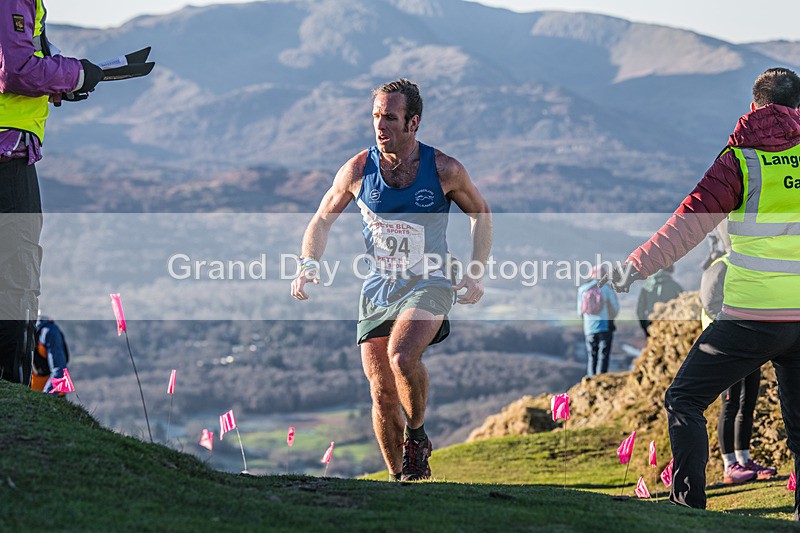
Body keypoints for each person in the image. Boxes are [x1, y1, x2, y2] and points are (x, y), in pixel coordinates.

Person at [609, 67, 800, 518]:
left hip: (752, 316)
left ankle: (688, 509)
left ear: (754, 107)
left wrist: (634, 267)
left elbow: (687, 224)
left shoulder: (741, 159)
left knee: (685, 399)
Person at [290, 79, 492, 481]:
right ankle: (402, 480)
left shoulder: (444, 169)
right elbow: (321, 219)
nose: (381, 126)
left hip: (430, 281)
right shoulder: (358, 169)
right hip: (378, 288)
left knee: (402, 357)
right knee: (381, 394)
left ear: (413, 122)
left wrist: (476, 268)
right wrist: (308, 261)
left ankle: (417, 438)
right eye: (376, 116)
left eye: (391, 118)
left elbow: (481, 214)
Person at [0, 1, 103, 384]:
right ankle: (12, 393)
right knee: (16, 279)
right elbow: (18, 71)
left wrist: (60, 81)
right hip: (6, 155)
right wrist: (76, 74)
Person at [700, 221, 777, 484]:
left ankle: (744, 460)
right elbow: (711, 305)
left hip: (751, 346)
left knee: (748, 403)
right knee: (731, 404)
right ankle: (729, 465)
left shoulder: (750, 264)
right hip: (726, 348)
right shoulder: (720, 265)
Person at [577, 266, 619, 376]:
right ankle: (600, 379)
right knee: (603, 354)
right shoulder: (607, 289)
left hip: (589, 328)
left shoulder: (582, 289)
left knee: (592, 355)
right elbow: (615, 309)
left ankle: (591, 379)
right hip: (604, 326)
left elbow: (579, 311)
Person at [636, 265, 683, 337]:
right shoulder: (676, 287)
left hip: (651, 326)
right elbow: (683, 309)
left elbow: (640, 310)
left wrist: (646, 327)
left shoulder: (646, 287)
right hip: (670, 328)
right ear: (670, 271)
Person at [31, 313, 70, 394]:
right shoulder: (29, 329)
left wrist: (46, 397)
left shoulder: (50, 332)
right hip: (35, 391)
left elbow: (59, 370)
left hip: (55, 395)